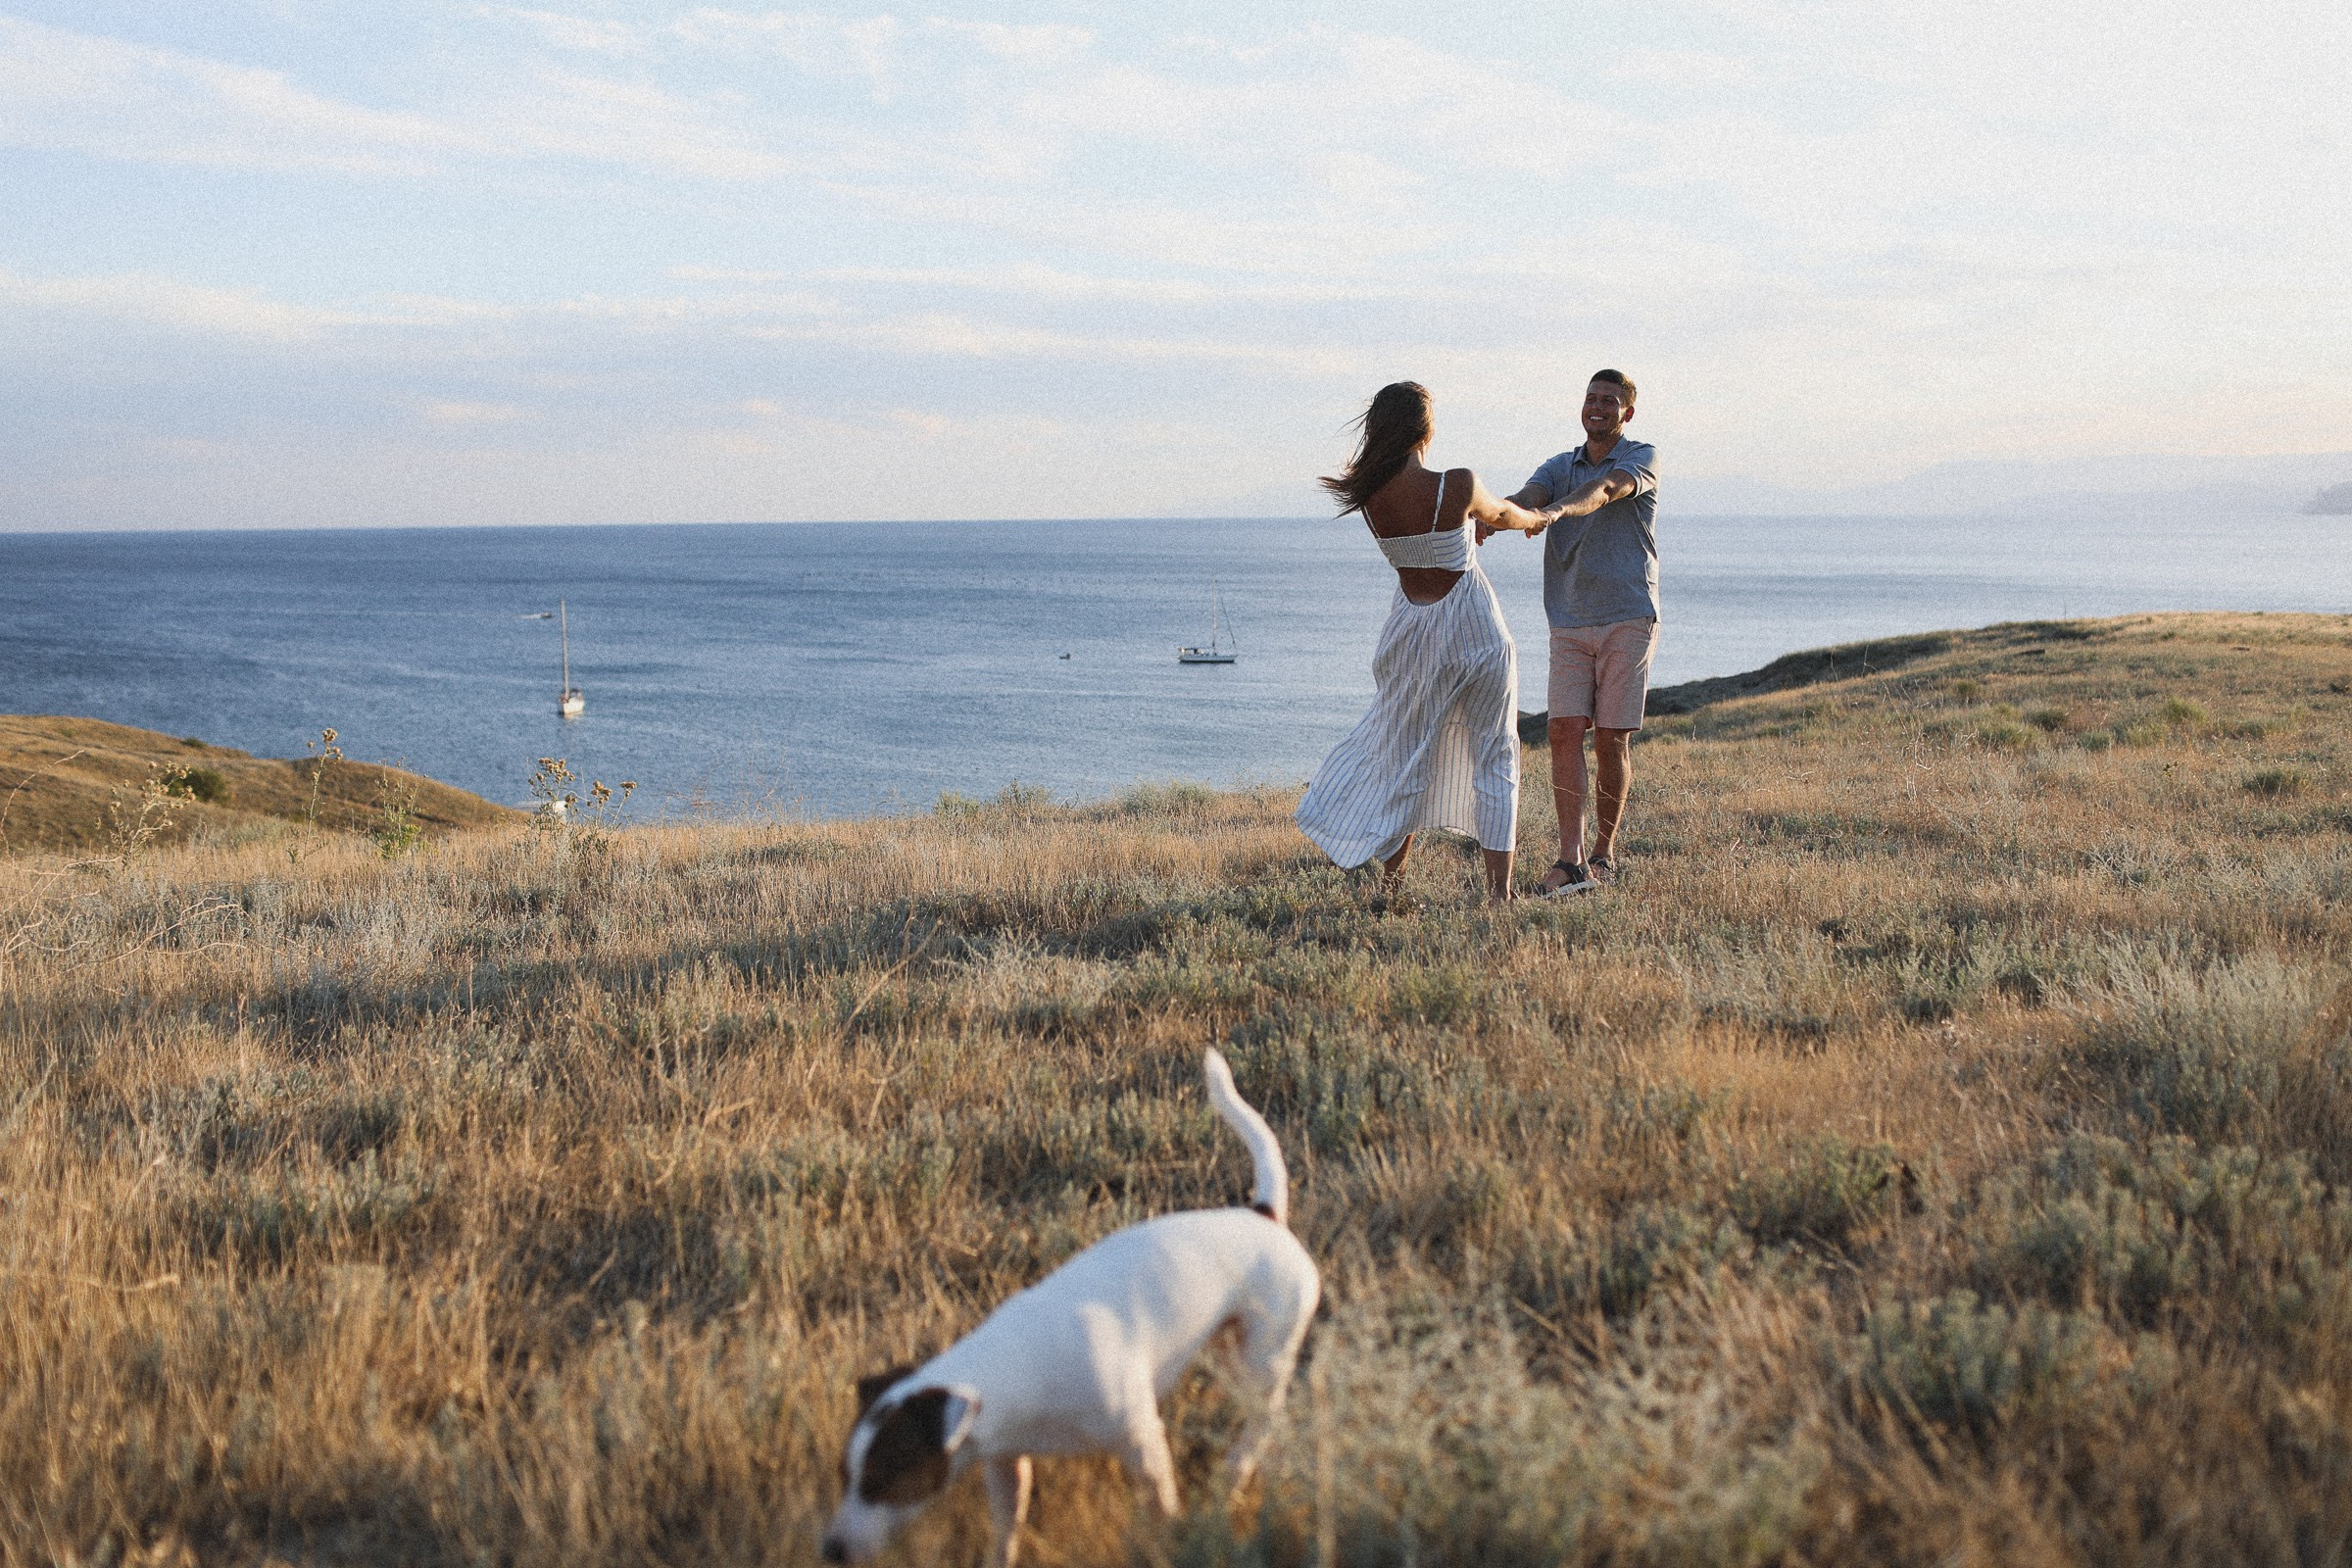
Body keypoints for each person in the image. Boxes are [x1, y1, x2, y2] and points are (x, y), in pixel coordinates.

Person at [1295, 382, 1548, 904]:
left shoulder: (1368, 497)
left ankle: (1393, 887)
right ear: (1425, 430)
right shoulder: (1455, 484)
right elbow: (1504, 514)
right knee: (1496, 755)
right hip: (1474, 630)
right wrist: (1539, 518)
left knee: (1408, 754)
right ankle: (1499, 896)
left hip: (1412, 631)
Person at [1504, 369, 1658, 896]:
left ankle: (1604, 853)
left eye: (1609, 401)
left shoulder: (1641, 458)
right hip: (1568, 620)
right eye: (1591, 398)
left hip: (1627, 615)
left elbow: (1604, 490)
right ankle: (1570, 859)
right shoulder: (1557, 465)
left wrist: (1553, 512)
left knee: (1611, 738)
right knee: (1563, 731)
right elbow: (1528, 495)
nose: (1597, 407)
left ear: (1626, 413)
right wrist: (1493, 516)